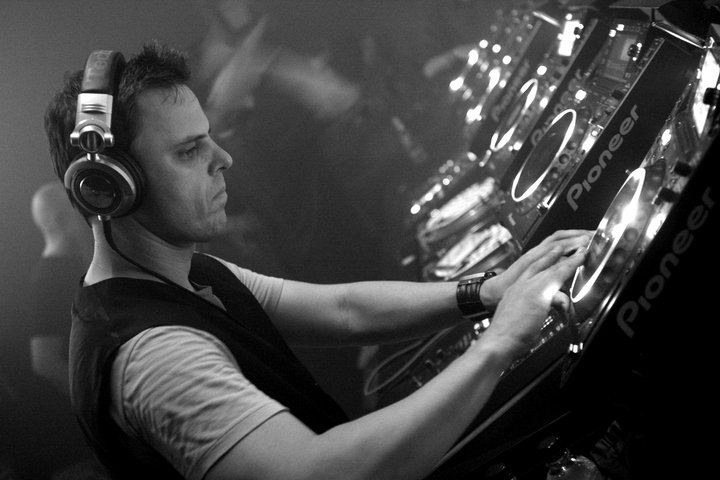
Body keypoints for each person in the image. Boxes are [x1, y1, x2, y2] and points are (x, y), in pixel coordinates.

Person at [44, 42, 589, 480]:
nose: (223, 159)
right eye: (189, 151)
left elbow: (344, 309)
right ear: (108, 188)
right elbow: (322, 472)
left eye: (210, 139)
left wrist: (488, 291)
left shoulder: (189, 273)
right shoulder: (153, 355)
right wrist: (500, 342)